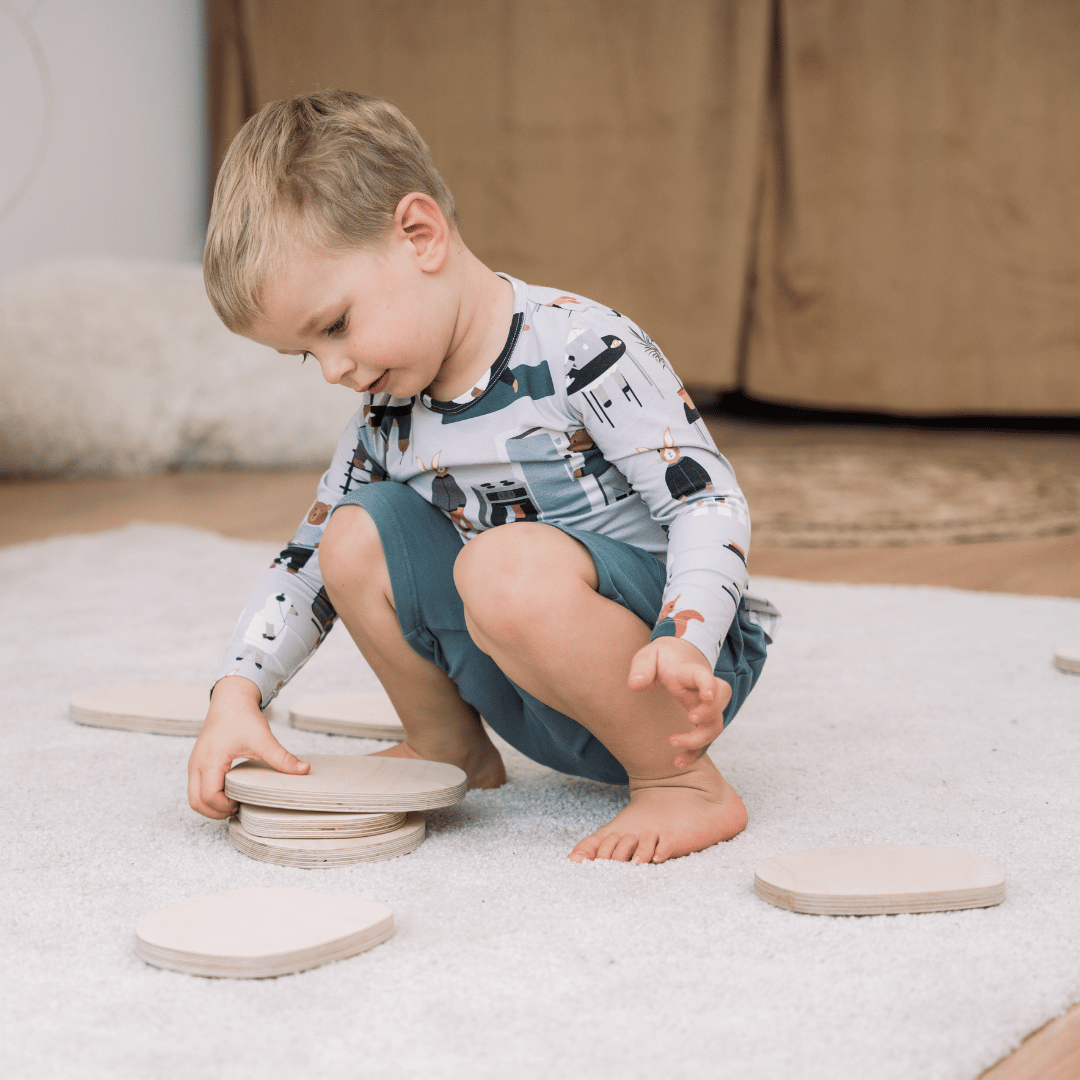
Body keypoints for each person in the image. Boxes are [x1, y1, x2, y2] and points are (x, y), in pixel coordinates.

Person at [187, 89, 779, 864]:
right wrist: (236, 693)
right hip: (527, 674)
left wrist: (687, 637)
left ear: (420, 234)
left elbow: (707, 501)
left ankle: (684, 787)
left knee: (501, 564)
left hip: (673, 672)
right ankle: (450, 748)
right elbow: (302, 571)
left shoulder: (581, 346)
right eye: (308, 353)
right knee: (354, 531)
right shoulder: (386, 413)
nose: (333, 369)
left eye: (334, 326)